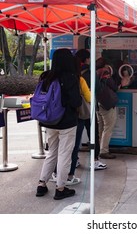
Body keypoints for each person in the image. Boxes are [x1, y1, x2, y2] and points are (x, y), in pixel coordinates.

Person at [35, 48, 81, 200]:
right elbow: (76, 101)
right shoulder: (71, 77)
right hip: (67, 122)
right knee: (64, 155)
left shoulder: (46, 76)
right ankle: (60, 188)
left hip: (49, 121)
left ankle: (42, 184)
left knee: (52, 153)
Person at [74, 49, 107, 170]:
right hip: (89, 108)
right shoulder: (90, 72)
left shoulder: (74, 72)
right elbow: (98, 88)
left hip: (76, 109)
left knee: (76, 136)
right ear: (87, 59)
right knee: (93, 134)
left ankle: (75, 160)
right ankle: (95, 160)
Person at [96, 57, 119, 159]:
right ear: (105, 65)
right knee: (108, 127)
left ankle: (99, 148)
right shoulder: (105, 72)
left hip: (98, 103)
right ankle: (104, 151)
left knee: (101, 127)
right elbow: (113, 86)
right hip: (107, 104)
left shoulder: (95, 73)